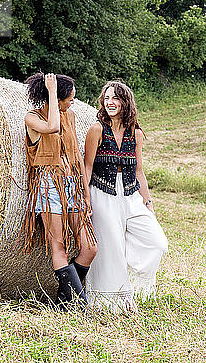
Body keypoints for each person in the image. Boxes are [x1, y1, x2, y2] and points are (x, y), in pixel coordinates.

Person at [84, 80, 168, 312]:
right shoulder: (97, 129)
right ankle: (116, 300)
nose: (110, 102)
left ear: (125, 102)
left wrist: (148, 203)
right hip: (102, 193)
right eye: (107, 98)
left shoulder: (136, 133)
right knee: (111, 247)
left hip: (131, 194)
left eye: (115, 98)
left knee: (157, 243)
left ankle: (137, 286)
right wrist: (86, 198)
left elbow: (139, 170)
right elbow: (87, 167)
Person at [21, 73, 97, 310]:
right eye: (70, 98)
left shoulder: (70, 116)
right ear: (56, 97)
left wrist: (85, 194)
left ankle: (65, 303)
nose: (73, 101)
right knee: (59, 247)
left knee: (90, 247)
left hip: (72, 184)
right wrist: (52, 91)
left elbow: (76, 157)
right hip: (48, 186)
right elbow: (51, 127)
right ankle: (80, 306)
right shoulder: (32, 118)